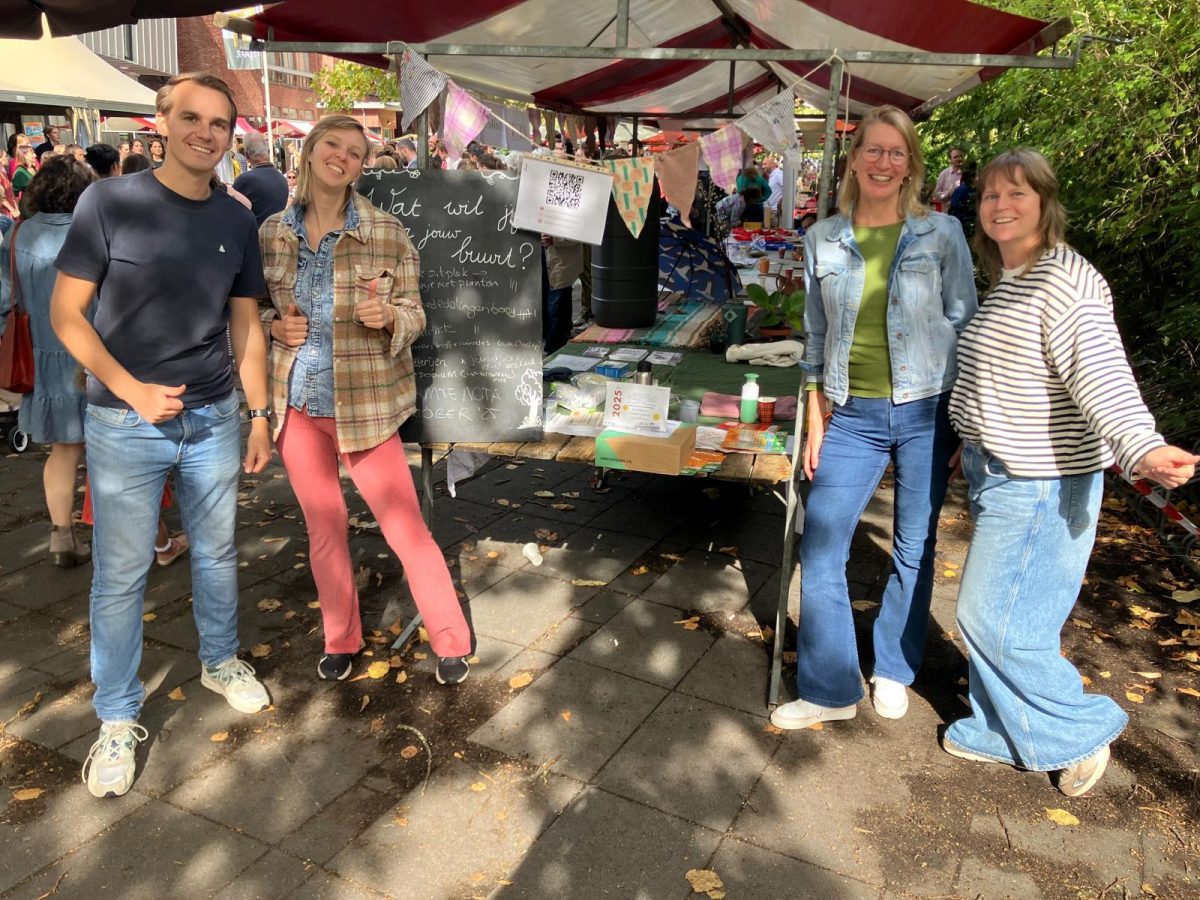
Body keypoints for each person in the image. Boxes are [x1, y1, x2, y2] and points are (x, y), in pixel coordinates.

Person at [944, 148, 1198, 796]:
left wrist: (1139, 443)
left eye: (1018, 193)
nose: (1001, 204)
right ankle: (1003, 730)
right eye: (992, 195)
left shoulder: (1064, 278)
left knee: (991, 618)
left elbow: (1101, 372)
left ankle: (1078, 730)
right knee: (1011, 615)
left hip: (1042, 482)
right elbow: (1004, 375)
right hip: (1000, 470)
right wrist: (967, 435)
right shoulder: (1016, 278)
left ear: (1046, 205)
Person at [51, 72, 272, 799]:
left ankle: (219, 659)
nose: (205, 133)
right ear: (162, 122)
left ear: (230, 136)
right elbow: (66, 315)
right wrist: (131, 391)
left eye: (218, 124)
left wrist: (259, 411)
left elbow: (246, 324)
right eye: (192, 118)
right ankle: (116, 717)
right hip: (123, 424)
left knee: (213, 554)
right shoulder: (108, 201)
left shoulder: (237, 218)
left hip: (213, 418)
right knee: (120, 577)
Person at [771, 105, 978, 732]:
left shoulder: (941, 234)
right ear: (854, 159)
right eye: (873, 150)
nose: (884, 162)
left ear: (911, 164)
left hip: (928, 410)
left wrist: (965, 425)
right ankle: (831, 686)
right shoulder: (821, 239)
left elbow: (968, 327)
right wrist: (813, 412)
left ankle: (893, 667)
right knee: (823, 540)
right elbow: (813, 334)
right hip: (850, 413)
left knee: (915, 545)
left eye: (897, 152)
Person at [259, 114, 473, 684]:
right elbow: (252, 312)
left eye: (355, 153)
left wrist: (390, 317)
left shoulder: (387, 232)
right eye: (333, 145)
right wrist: (269, 326)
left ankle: (451, 640)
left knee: (405, 528)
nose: (342, 158)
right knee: (324, 528)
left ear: (361, 167)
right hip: (297, 406)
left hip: (367, 407)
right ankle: (341, 639)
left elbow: (417, 315)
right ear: (308, 152)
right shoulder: (271, 232)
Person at [0, 158, 96, 565]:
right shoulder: (92, 232)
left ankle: (61, 536)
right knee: (108, 452)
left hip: (41, 357)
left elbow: (5, 300)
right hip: (95, 354)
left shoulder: (17, 234)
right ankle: (126, 533)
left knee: (63, 452)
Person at [232, 132, 288, 226]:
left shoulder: (245, 180)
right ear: (268, 151)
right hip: (277, 236)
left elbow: (231, 214)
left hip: (254, 238)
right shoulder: (282, 178)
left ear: (246, 155)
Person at [541, 233, 582, 354]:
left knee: (557, 306)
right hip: (540, 257)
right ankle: (556, 342)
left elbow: (580, 232)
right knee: (547, 304)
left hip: (560, 261)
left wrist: (556, 239)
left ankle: (554, 349)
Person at [946, 161, 977, 239]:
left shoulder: (975, 190)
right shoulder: (961, 190)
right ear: (971, 177)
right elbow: (953, 208)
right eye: (977, 176)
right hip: (961, 227)